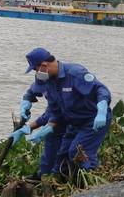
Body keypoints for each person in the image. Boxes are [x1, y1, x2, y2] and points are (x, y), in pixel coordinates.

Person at [12, 47, 112, 182]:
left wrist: (102, 109)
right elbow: (55, 112)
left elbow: (100, 89)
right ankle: (62, 184)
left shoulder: (75, 73)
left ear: (44, 65)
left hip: (93, 120)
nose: (36, 74)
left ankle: (89, 182)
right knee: (62, 157)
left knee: (78, 151)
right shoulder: (49, 80)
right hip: (74, 122)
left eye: (36, 70)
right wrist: (36, 125)